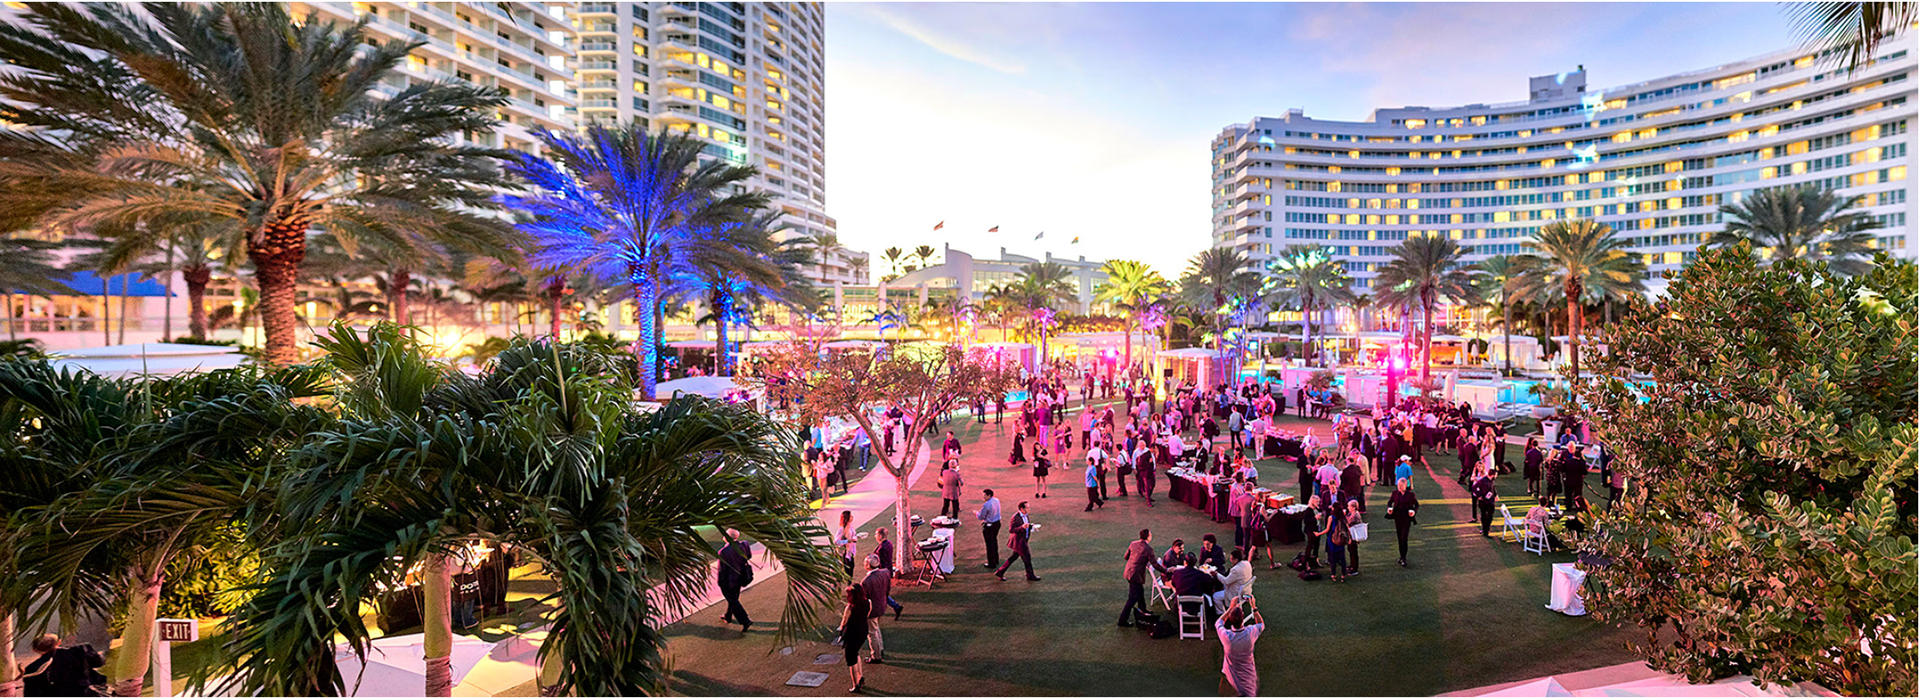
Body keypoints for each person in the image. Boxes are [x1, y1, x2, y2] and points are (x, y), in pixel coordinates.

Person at [19, 634, 105, 697]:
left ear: (34, 650)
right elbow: (99, 663)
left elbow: (31, 694)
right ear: (59, 642)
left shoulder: (32, 669)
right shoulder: (80, 650)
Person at [1216, 597, 1265, 697]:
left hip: (1229, 677)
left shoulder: (1226, 636)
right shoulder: (1250, 632)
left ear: (1230, 619)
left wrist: (1230, 608)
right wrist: (1254, 607)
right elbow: (1261, 624)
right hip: (1248, 676)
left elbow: (1218, 623)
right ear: (1243, 618)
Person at [1118, 529, 1159, 627]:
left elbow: (1126, 557)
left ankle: (1143, 609)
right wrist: (1166, 570)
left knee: (1140, 591)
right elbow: (1155, 565)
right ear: (1148, 537)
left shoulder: (1133, 544)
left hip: (1129, 573)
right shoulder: (1148, 549)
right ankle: (1122, 620)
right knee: (1132, 598)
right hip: (1136, 575)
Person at [995, 501, 1040, 581]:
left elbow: (1026, 525)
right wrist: (1022, 527)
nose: (1029, 509)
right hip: (1019, 542)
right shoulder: (1015, 517)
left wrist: (1031, 526)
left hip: (1022, 541)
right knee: (1027, 558)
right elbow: (1011, 530)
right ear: (1021, 509)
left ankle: (1000, 572)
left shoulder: (1025, 515)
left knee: (1013, 557)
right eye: (1027, 508)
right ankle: (1030, 575)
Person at [859, 554, 891, 663]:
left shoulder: (866, 581)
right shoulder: (885, 572)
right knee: (876, 629)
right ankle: (880, 650)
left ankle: (876, 656)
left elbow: (863, 599)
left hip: (872, 610)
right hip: (882, 605)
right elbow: (888, 589)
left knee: (872, 633)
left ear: (868, 565)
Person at [839, 584, 869, 692]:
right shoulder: (868, 602)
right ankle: (860, 677)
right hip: (863, 631)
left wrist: (842, 628)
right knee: (856, 653)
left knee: (851, 661)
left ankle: (855, 684)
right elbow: (867, 614)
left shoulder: (850, 608)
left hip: (852, 634)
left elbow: (843, 623)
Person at [1385, 477, 1420, 566]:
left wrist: (1414, 511)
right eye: (1398, 486)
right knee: (1399, 537)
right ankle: (1401, 556)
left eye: (1401, 486)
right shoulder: (1395, 493)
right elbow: (1390, 502)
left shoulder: (1410, 495)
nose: (1399, 487)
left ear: (1405, 485)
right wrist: (1389, 508)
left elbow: (1416, 504)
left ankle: (1404, 558)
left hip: (1406, 518)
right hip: (1398, 517)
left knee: (1404, 538)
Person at [872, 528, 905, 619]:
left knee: (880, 593)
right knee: (881, 593)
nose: (875, 536)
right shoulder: (888, 543)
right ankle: (896, 607)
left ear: (880, 536)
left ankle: (894, 607)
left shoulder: (881, 549)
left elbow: (880, 563)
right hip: (887, 572)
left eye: (876, 534)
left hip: (882, 574)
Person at [1321, 497, 1353, 582]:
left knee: (1332, 558)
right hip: (1341, 539)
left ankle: (1333, 574)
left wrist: (1318, 534)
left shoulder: (1331, 517)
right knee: (1342, 558)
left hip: (1332, 539)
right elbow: (1347, 528)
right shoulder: (1342, 517)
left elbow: (1327, 529)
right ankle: (1343, 575)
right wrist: (1349, 538)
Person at [977, 489, 1002, 569]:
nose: (983, 497)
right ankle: (996, 559)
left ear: (989, 496)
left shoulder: (987, 505)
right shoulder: (996, 500)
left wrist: (976, 513)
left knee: (989, 544)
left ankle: (992, 563)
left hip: (989, 526)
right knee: (994, 541)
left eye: (985, 495)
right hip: (997, 523)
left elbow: (981, 516)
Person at [1470, 469, 1499, 537]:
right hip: (1484, 502)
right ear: (1493, 475)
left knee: (1490, 516)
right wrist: (1479, 495)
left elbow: (1493, 488)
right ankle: (1485, 531)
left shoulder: (1491, 480)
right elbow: (1474, 487)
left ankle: (1486, 529)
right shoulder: (1483, 481)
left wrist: (1495, 495)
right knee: (1484, 516)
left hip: (1490, 501)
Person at [834, 510, 858, 576]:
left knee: (851, 569)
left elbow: (853, 536)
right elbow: (836, 542)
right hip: (845, 553)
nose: (852, 517)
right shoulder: (842, 529)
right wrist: (847, 541)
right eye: (850, 516)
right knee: (847, 571)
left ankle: (849, 584)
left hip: (851, 552)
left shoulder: (850, 526)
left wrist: (855, 538)